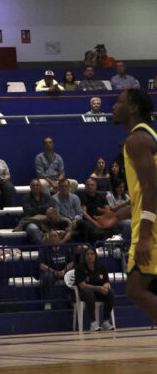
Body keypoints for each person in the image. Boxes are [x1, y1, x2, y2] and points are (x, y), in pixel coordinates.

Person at [94, 88, 157, 323]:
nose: (113, 106)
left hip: (151, 229)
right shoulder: (143, 137)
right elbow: (145, 194)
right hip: (150, 222)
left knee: (135, 289)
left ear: (133, 108)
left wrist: (143, 238)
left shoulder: (137, 140)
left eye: (118, 102)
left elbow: (152, 191)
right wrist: (118, 215)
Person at [75, 248, 115, 331]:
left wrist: (105, 287)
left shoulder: (101, 266)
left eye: (92, 254)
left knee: (110, 292)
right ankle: (93, 322)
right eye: (87, 254)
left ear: (95, 256)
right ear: (84, 256)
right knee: (89, 294)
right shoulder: (80, 267)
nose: (90, 256)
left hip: (99, 291)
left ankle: (105, 321)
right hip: (85, 292)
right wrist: (98, 288)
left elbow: (106, 281)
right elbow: (82, 285)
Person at [20, 179, 70, 244]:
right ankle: (44, 247)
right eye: (33, 185)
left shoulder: (46, 196)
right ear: (30, 187)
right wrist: (43, 209)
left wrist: (36, 209)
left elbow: (49, 207)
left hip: (45, 221)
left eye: (37, 185)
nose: (35, 187)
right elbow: (28, 211)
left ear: (40, 186)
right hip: (31, 221)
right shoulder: (26, 198)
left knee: (61, 224)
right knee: (33, 229)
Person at [52, 179, 96, 244]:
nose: (64, 188)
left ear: (69, 187)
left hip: (75, 220)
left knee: (88, 225)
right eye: (62, 186)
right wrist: (69, 222)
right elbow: (58, 216)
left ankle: (87, 246)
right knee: (63, 223)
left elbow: (80, 213)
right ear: (58, 188)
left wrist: (75, 219)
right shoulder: (55, 199)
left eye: (66, 186)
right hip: (64, 221)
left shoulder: (75, 197)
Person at [38, 230, 75, 307]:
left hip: (64, 271)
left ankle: (73, 300)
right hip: (51, 272)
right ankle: (48, 302)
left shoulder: (65, 248)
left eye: (55, 236)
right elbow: (42, 265)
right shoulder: (44, 250)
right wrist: (54, 272)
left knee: (74, 274)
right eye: (51, 236)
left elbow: (71, 262)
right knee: (47, 277)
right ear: (49, 239)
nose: (54, 238)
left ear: (59, 238)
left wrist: (64, 271)